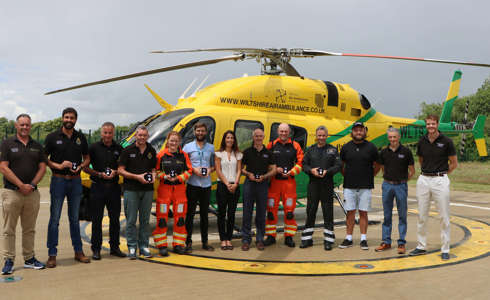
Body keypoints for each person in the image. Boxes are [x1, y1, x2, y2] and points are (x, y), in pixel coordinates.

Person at [1, 114, 47, 275]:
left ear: (30, 126)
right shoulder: (7, 144)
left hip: (32, 194)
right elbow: (3, 167)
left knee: (29, 229)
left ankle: (29, 259)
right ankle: (8, 260)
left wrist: (32, 185)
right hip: (11, 192)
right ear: (16, 125)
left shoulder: (37, 145)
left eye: (27, 125)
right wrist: (21, 185)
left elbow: (42, 167)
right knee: (9, 229)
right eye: (22, 125)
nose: (25, 127)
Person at [44, 107, 90, 267]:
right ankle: (52, 254)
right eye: (66, 117)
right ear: (62, 118)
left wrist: (82, 166)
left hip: (76, 181)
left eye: (72, 118)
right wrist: (59, 165)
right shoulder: (52, 137)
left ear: (76, 120)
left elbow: (87, 158)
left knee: (74, 219)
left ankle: (78, 251)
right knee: (54, 219)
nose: (69, 120)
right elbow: (44, 158)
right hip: (59, 181)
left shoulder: (80, 137)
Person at [409, 115, 458, 260]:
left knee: (443, 216)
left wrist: (442, 173)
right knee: (422, 215)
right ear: (426, 125)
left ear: (437, 124)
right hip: (424, 179)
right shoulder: (422, 141)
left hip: (440, 180)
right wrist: (428, 173)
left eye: (433, 124)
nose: (430, 126)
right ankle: (421, 246)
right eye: (428, 124)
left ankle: (445, 248)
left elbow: (454, 163)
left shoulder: (447, 141)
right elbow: (421, 160)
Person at [83, 122, 126, 260]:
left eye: (110, 133)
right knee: (97, 220)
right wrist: (99, 174)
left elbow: (122, 167)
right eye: (105, 133)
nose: (107, 135)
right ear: (101, 133)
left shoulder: (119, 148)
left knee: (115, 220)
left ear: (113, 133)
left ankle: (115, 247)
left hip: (113, 188)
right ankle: (96, 249)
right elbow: (85, 168)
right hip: (98, 187)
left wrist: (116, 172)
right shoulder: (94, 147)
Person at [299, 126, 341, 251]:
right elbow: (304, 164)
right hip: (313, 185)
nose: (321, 138)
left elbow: (338, 165)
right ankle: (307, 239)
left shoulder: (333, 150)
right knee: (310, 211)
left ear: (326, 136)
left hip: (327, 185)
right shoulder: (310, 150)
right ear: (316, 136)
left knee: (328, 212)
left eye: (323, 135)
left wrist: (328, 172)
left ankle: (328, 241)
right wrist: (311, 171)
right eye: (319, 135)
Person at [118, 125, 156, 259]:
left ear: (148, 136)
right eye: (139, 135)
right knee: (131, 221)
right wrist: (137, 177)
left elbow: (153, 169)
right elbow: (120, 170)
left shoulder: (151, 150)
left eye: (144, 135)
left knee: (145, 221)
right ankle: (132, 247)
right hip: (131, 189)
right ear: (135, 136)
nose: (142, 137)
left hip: (147, 190)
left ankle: (144, 246)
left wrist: (154, 176)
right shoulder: (127, 150)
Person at [339, 122, 378, 250]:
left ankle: (363, 239)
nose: (358, 132)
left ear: (365, 132)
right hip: (349, 186)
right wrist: (348, 175)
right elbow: (341, 165)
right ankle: (348, 238)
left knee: (363, 212)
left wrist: (370, 176)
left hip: (365, 186)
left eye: (361, 130)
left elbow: (377, 165)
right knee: (350, 212)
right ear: (352, 132)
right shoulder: (346, 147)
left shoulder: (371, 147)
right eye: (356, 130)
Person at [375, 127, 415, 255]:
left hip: (401, 186)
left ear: (399, 137)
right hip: (387, 185)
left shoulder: (406, 151)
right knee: (387, 216)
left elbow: (412, 171)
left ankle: (401, 243)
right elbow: (382, 168)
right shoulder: (383, 152)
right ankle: (386, 242)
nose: (392, 139)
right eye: (390, 137)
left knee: (402, 215)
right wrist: (389, 180)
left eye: (395, 137)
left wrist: (402, 181)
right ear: (388, 138)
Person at [153, 131, 192, 256]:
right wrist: (165, 176)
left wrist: (180, 178)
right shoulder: (161, 155)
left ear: (179, 142)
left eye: (176, 141)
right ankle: (162, 245)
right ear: (168, 141)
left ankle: (178, 245)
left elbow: (189, 170)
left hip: (179, 190)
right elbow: (156, 171)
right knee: (162, 219)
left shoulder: (184, 155)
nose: (173, 143)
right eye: (171, 140)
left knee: (180, 218)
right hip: (165, 189)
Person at [265, 123, 304, 248]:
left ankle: (289, 237)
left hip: (289, 183)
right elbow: (265, 162)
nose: (283, 134)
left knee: (289, 212)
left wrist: (292, 172)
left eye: (285, 132)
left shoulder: (295, 145)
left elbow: (300, 163)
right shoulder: (271, 145)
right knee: (271, 211)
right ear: (278, 132)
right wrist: (274, 169)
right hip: (274, 183)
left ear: (289, 132)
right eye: (281, 131)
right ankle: (271, 236)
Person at [240, 128, 276, 251]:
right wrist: (248, 174)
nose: (258, 138)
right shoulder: (247, 152)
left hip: (262, 185)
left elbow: (274, 169)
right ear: (253, 137)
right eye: (256, 136)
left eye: (260, 136)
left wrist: (264, 177)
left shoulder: (268, 153)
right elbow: (241, 168)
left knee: (261, 213)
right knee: (247, 213)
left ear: (263, 137)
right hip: (249, 183)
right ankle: (246, 239)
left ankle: (260, 239)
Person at [183, 122, 215, 252]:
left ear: (206, 132)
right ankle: (188, 242)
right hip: (192, 185)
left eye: (202, 131)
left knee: (204, 215)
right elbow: (184, 164)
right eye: (198, 131)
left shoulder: (211, 148)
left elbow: (214, 165)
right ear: (194, 132)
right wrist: (193, 170)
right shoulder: (187, 147)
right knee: (189, 214)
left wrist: (210, 170)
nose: (200, 133)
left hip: (206, 185)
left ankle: (205, 242)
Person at [215, 130, 242, 250]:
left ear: (234, 140)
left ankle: (229, 239)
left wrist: (235, 184)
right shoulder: (218, 154)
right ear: (224, 140)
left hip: (235, 185)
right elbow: (218, 170)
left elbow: (239, 170)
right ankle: (223, 239)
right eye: (227, 138)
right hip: (222, 185)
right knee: (221, 213)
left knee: (231, 213)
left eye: (232, 138)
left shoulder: (238, 154)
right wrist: (227, 184)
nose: (230, 140)